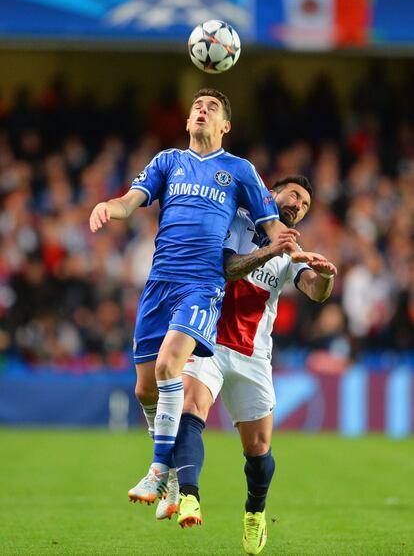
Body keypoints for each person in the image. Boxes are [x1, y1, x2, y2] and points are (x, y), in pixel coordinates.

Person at [89, 89, 311, 505]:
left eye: (211, 108)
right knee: (144, 390)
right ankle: (173, 472)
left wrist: (296, 251)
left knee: (171, 364)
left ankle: (158, 469)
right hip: (160, 282)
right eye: (196, 107)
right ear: (188, 121)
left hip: (203, 282)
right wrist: (108, 206)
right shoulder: (167, 162)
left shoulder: (240, 170)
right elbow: (129, 201)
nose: (201, 111)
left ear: (226, 125)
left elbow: (272, 223)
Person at [156, 176, 336, 555]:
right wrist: (272, 251)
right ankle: (189, 495)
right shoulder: (235, 221)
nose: (298, 207)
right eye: (295, 196)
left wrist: (324, 277)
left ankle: (255, 512)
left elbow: (314, 291)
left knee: (259, 450)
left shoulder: (291, 251)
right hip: (208, 341)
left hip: (253, 355)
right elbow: (227, 268)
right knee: (191, 407)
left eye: (305, 205)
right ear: (272, 193)